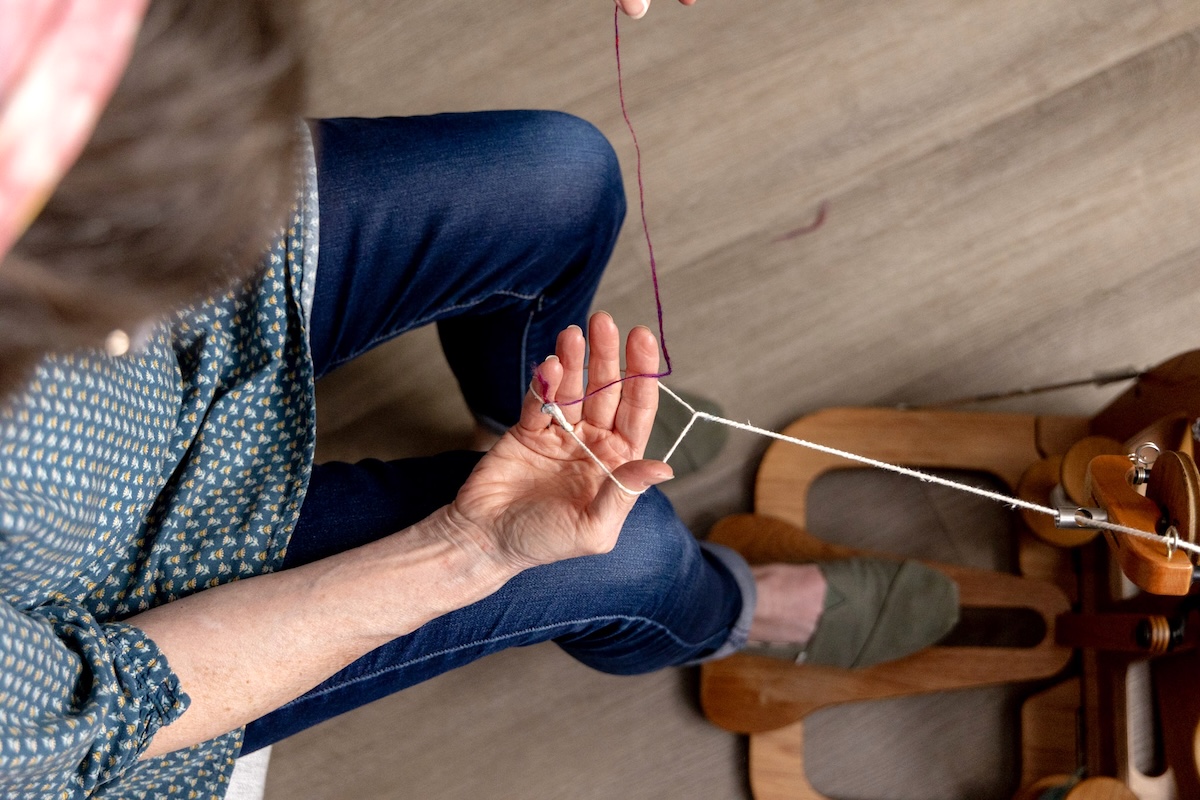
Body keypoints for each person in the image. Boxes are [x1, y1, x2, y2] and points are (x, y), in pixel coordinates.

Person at [0, 1, 959, 798]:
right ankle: (726, 615)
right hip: (119, 609)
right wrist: (472, 547)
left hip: (174, 304)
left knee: (560, 178)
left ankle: (524, 424)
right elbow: (122, 702)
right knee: (632, 551)